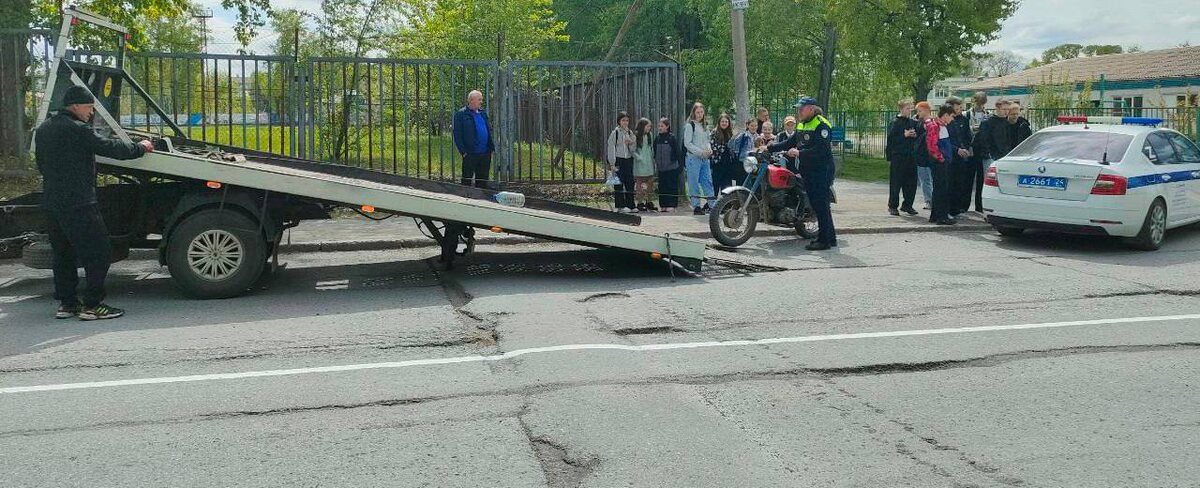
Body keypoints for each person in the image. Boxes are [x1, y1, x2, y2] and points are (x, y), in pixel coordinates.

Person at [35, 84, 153, 321]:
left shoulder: (44, 129)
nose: (91, 113)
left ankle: (68, 304)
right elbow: (109, 148)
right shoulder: (78, 129)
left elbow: (40, 163)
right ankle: (93, 305)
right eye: (89, 108)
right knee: (99, 252)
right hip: (79, 202)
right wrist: (140, 147)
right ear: (76, 106)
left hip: (52, 203)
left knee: (63, 254)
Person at [770, 96, 837, 250]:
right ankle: (830, 237)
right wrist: (769, 147)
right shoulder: (802, 124)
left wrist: (800, 153)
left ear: (811, 109)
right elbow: (788, 143)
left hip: (822, 170)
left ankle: (823, 241)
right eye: (799, 108)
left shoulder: (821, 124)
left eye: (802, 108)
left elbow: (822, 150)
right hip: (809, 170)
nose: (799, 111)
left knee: (820, 204)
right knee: (820, 205)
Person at [452, 90, 495, 188]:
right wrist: (463, 152)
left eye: (481, 100)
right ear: (471, 100)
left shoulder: (483, 113)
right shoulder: (461, 114)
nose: (481, 102)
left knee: (482, 180)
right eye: (479, 99)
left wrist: (491, 148)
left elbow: (488, 130)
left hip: (485, 153)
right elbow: (457, 135)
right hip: (470, 153)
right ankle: (465, 200)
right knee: (466, 180)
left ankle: (481, 200)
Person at [885, 99, 920, 216]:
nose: (909, 111)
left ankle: (908, 205)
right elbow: (891, 140)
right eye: (907, 108)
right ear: (901, 109)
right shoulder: (895, 122)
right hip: (898, 156)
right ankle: (893, 206)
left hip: (911, 156)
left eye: (911, 108)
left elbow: (918, 136)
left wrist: (914, 135)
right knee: (896, 182)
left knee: (911, 182)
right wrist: (903, 135)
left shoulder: (912, 122)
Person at [925, 105, 957, 225]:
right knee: (941, 189)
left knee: (940, 188)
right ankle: (942, 216)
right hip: (939, 162)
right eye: (951, 116)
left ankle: (936, 215)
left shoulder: (942, 126)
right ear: (945, 115)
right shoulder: (935, 126)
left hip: (943, 161)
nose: (952, 119)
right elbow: (932, 145)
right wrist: (941, 158)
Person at [965, 93, 996, 212]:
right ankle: (964, 205)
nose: (980, 106)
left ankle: (979, 205)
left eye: (982, 104)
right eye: (978, 103)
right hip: (970, 148)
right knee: (968, 178)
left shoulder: (988, 115)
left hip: (981, 150)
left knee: (981, 179)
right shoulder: (967, 114)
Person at [682, 102, 714, 215]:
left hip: (705, 158)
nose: (700, 114)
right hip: (693, 158)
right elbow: (687, 143)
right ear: (693, 113)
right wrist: (700, 152)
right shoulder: (690, 125)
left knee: (707, 181)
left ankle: (712, 205)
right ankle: (696, 206)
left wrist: (709, 150)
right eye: (697, 112)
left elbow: (707, 141)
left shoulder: (705, 126)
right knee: (693, 182)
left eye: (701, 112)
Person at [944, 96, 973, 216]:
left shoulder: (963, 120)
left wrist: (965, 148)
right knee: (949, 183)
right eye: (957, 108)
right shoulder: (945, 122)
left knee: (960, 183)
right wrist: (957, 149)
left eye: (961, 108)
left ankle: (957, 208)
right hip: (950, 155)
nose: (959, 110)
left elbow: (966, 136)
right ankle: (948, 208)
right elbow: (945, 141)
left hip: (961, 155)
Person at [606, 111, 637, 212]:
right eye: (623, 120)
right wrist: (612, 163)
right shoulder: (615, 133)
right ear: (619, 121)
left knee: (630, 182)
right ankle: (620, 206)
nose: (625, 122)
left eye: (627, 120)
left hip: (628, 160)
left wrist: (631, 142)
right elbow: (611, 147)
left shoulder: (630, 132)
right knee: (618, 183)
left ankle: (631, 205)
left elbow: (633, 149)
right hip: (618, 160)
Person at [654, 118, 682, 213]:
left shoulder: (671, 138)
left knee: (671, 186)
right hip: (661, 169)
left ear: (667, 126)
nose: (660, 128)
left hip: (671, 167)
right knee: (662, 187)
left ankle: (672, 205)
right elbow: (654, 152)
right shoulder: (657, 138)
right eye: (659, 126)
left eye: (662, 126)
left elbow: (677, 152)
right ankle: (663, 205)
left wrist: (680, 166)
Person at [632, 117, 658, 212]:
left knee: (650, 181)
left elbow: (651, 149)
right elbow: (632, 151)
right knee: (640, 182)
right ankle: (640, 202)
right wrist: (639, 158)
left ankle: (649, 201)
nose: (649, 128)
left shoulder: (650, 135)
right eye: (647, 126)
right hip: (640, 163)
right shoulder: (636, 136)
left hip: (649, 163)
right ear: (642, 126)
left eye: (650, 126)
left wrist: (653, 159)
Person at [913, 101, 935, 209]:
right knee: (925, 179)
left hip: (929, 154)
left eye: (920, 111)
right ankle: (929, 200)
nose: (918, 113)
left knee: (928, 179)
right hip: (921, 154)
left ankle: (931, 200)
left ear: (926, 110)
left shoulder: (930, 122)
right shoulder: (919, 122)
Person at [728, 118, 758, 187]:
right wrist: (733, 136)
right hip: (742, 164)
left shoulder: (758, 136)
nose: (754, 128)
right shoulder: (743, 136)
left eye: (755, 126)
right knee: (742, 185)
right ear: (747, 126)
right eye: (752, 126)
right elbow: (730, 145)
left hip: (752, 164)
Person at [710, 113, 736, 192]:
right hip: (718, 163)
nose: (724, 123)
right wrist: (725, 146)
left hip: (728, 163)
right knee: (715, 185)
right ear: (719, 122)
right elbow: (712, 147)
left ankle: (726, 203)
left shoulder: (730, 133)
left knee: (727, 186)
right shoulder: (714, 133)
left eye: (726, 122)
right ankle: (712, 203)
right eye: (722, 121)